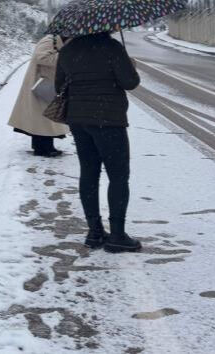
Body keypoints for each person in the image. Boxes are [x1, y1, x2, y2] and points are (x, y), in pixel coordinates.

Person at [55, 28, 141, 253]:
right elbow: (130, 82)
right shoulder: (112, 47)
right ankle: (118, 235)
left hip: (79, 120)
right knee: (118, 176)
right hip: (109, 120)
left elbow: (58, 87)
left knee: (89, 173)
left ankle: (94, 232)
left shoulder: (68, 51)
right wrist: (129, 65)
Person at [7, 34, 68, 157]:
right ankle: (44, 148)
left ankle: (43, 147)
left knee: (44, 118)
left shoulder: (56, 41)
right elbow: (40, 58)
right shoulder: (49, 40)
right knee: (43, 118)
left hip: (47, 82)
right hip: (41, 83)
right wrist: (64, 56)